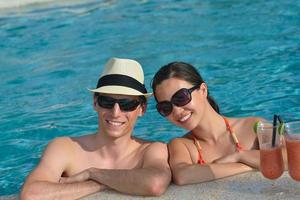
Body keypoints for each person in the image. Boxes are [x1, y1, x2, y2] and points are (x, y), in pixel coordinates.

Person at [21, 58, 171, 199]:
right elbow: (32, 194)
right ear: (95, 103)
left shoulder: (151, 150)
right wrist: (99, 184)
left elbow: (155, 184)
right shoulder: (65, 148)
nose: (115, 113)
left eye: (127, 104)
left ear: (141, 109)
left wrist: (93, 173)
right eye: (107, 101)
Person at [151, 61, 264, 185]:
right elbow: (183, 175)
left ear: (203, 90)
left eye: (181, 98)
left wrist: (241, 156)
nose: (177, 111)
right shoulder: (182, 145)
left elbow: (286, 156)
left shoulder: (254, 126)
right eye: (165, 107)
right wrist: (247, 165)